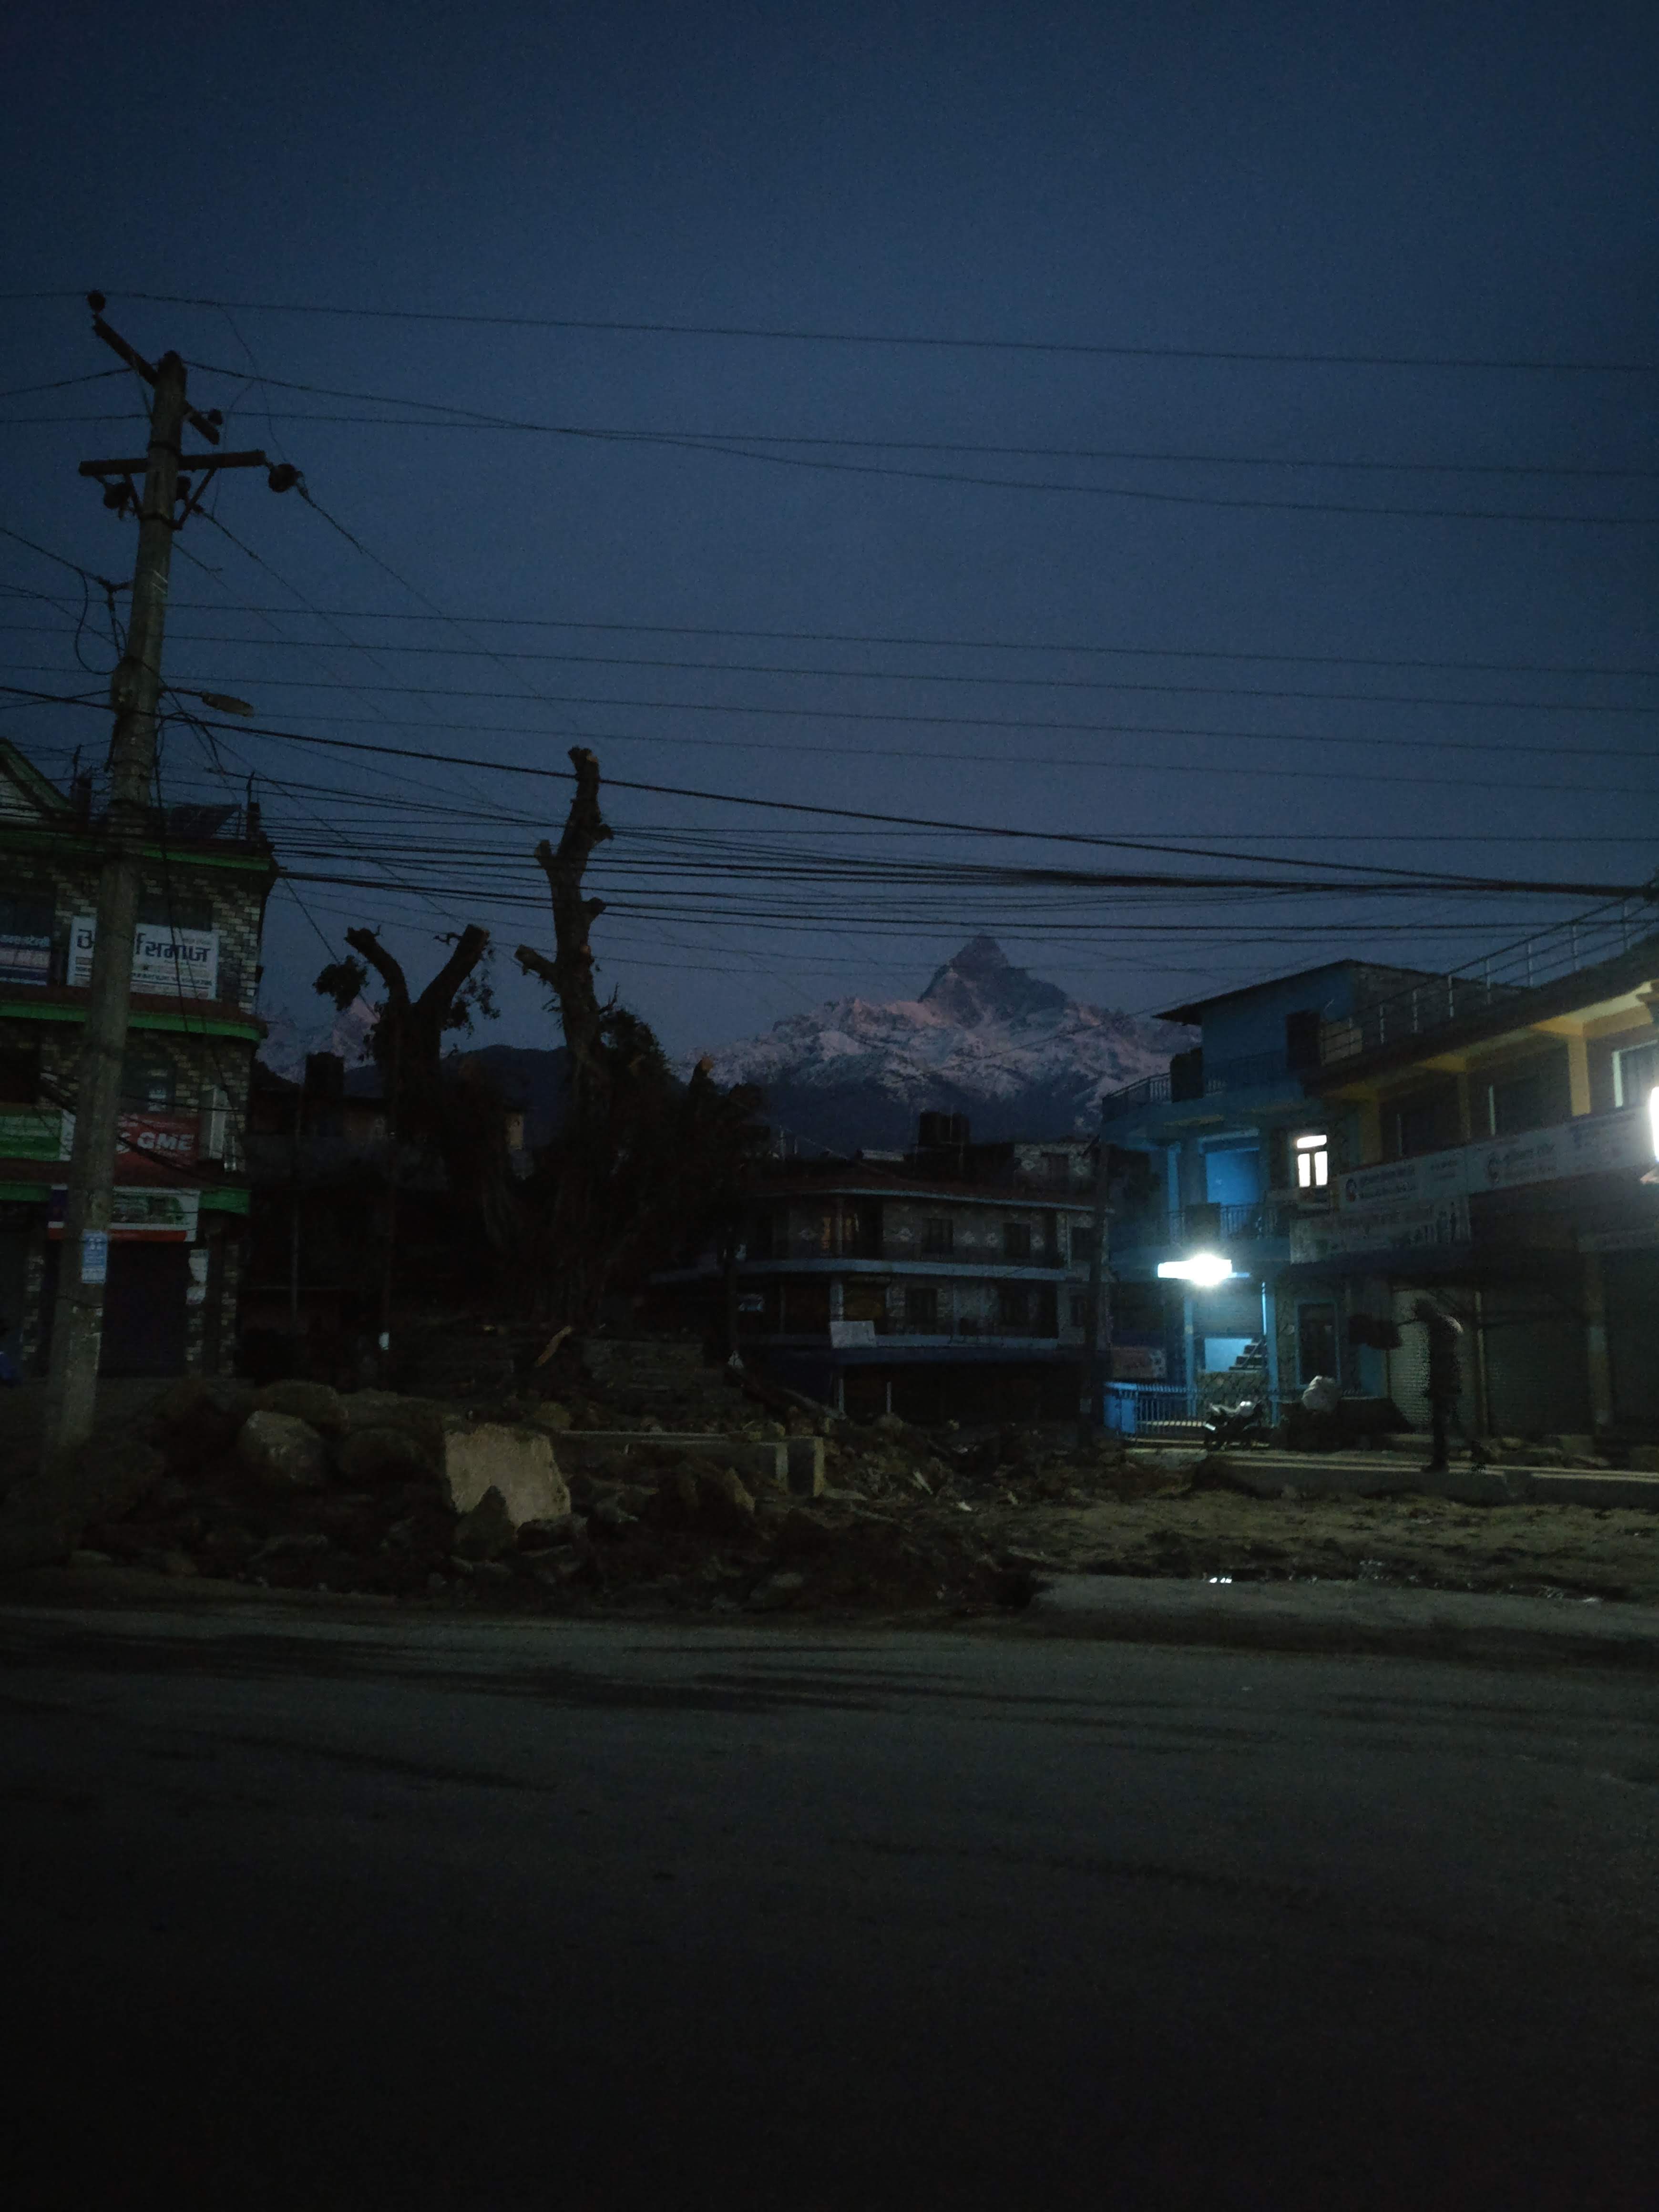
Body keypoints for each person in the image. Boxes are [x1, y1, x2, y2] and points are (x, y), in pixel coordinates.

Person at [1413, 1297, 1464, 1472]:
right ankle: (1443, 1460)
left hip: (1446, 1382)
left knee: (1440, 1423)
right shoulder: (1444, 1325)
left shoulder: (1439, 1328)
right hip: (1448, 1381)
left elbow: (1440, 1360)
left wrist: (1437, 1387)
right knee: (1445, 1422)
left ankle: (1441, 1463)